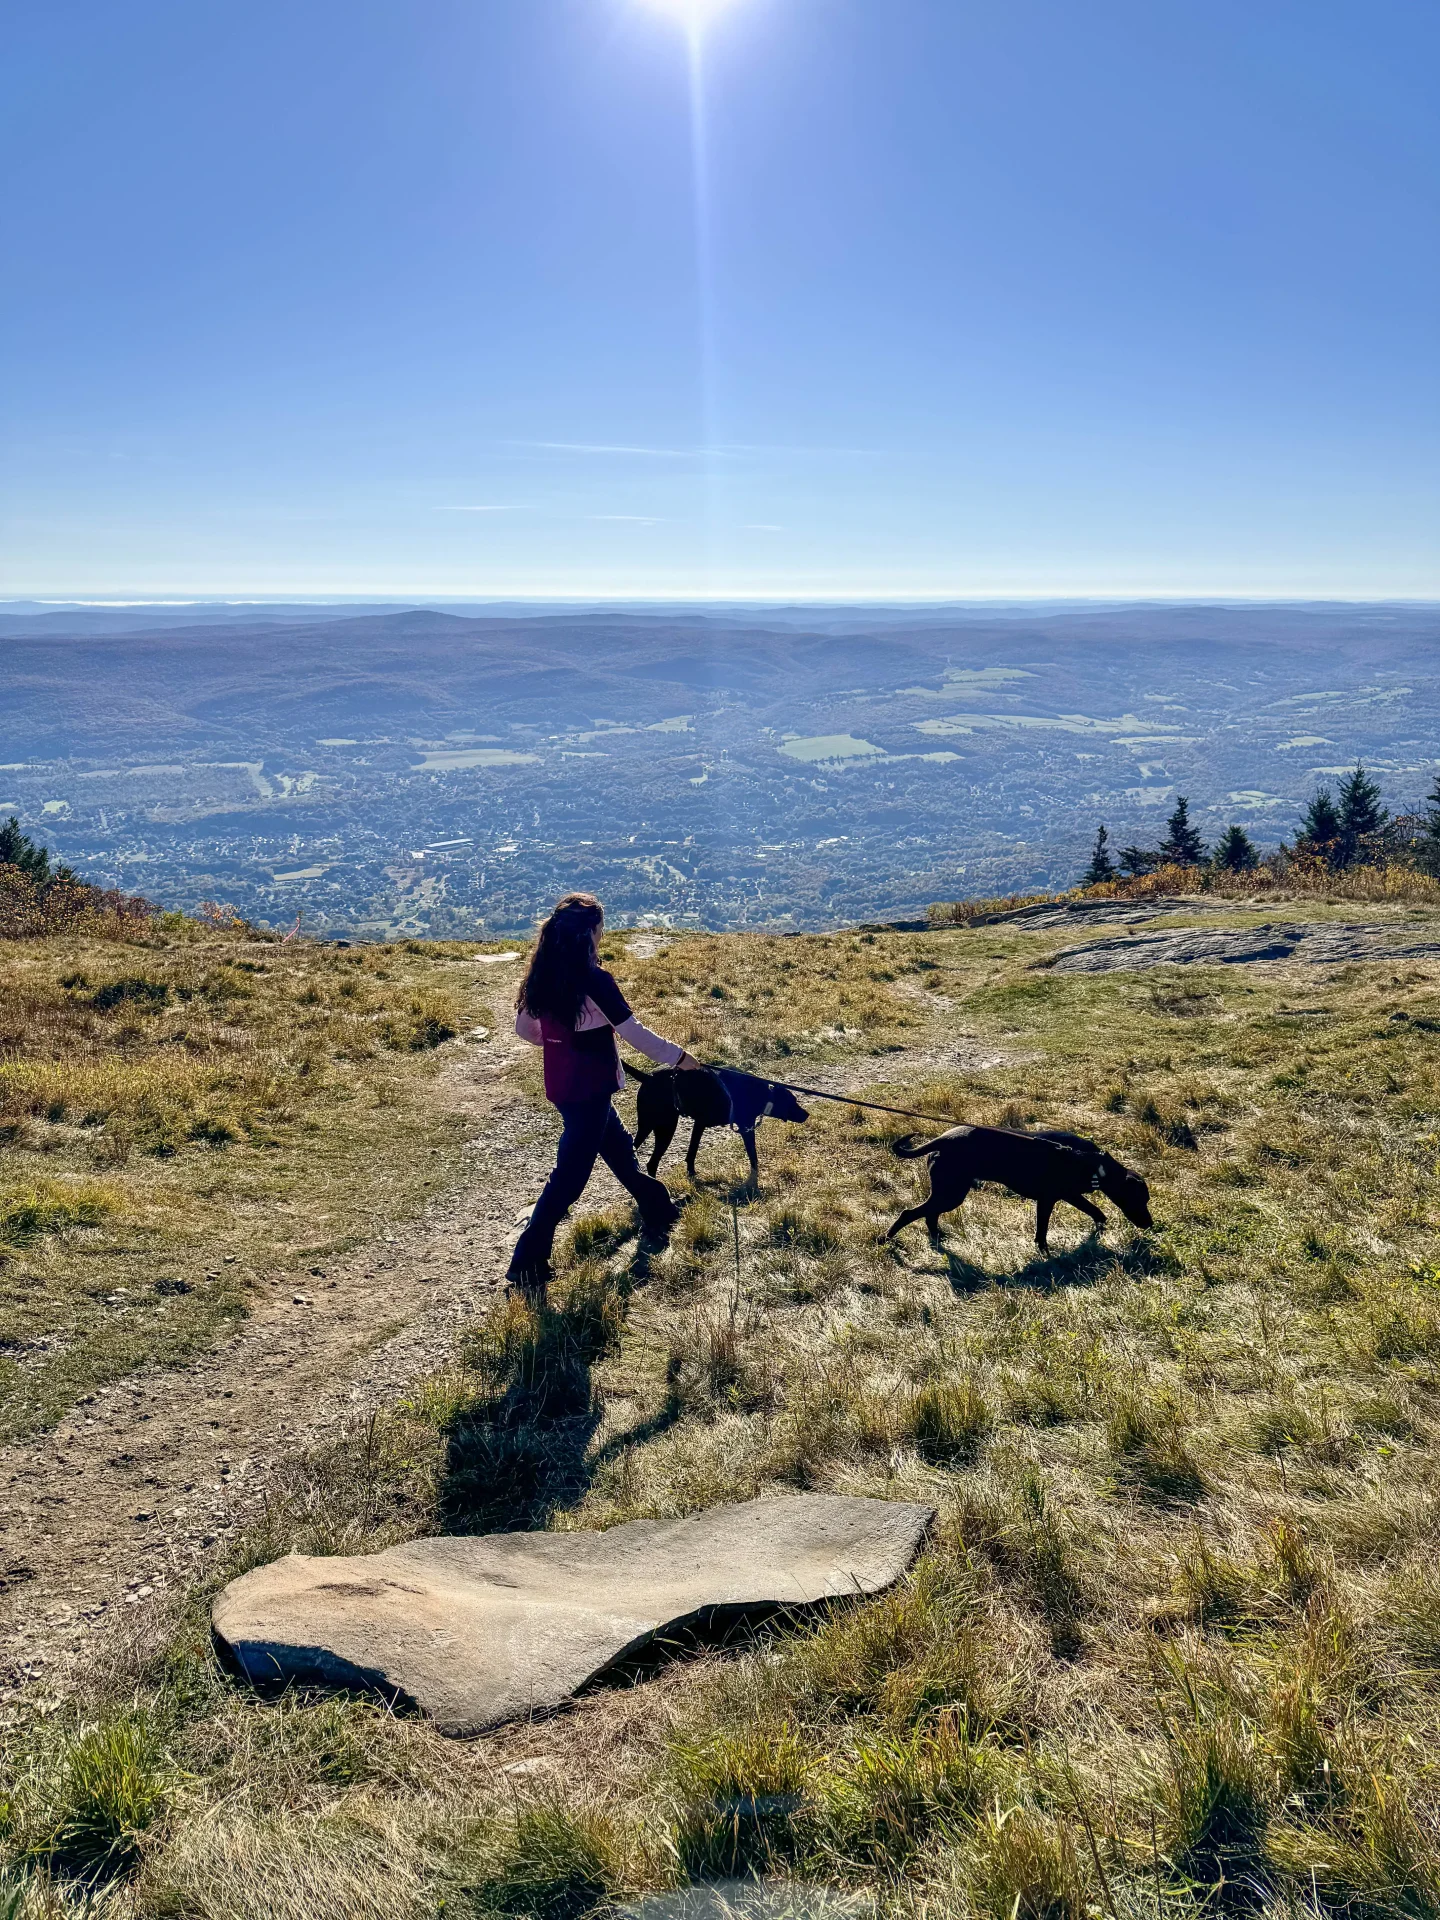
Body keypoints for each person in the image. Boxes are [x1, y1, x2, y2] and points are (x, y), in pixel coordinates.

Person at [508, 892, 702, 1293]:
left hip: (563, 1084)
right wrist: (681, 1059)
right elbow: (633, 1033)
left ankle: (659, 1210)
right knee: (569, 1179)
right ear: (593, 932)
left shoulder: (544, 972)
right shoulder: (594, 978)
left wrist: (563, 1040)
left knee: (618, 1149)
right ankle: (527, 1263)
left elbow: (525, 1030)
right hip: (591, 1087)